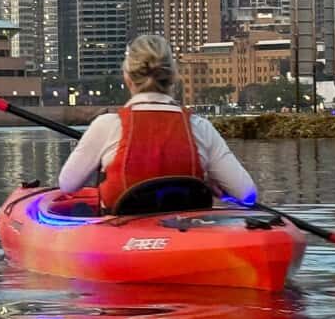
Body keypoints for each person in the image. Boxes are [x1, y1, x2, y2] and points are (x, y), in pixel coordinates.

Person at [58, 34, 257, 213]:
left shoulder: (107, 125)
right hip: (186, 234)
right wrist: (209, 183)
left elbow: (68, 184)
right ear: (173, 77)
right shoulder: (200, 127)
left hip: (122, 233)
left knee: (79, 210)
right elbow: (247, 194)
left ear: (127, 77)